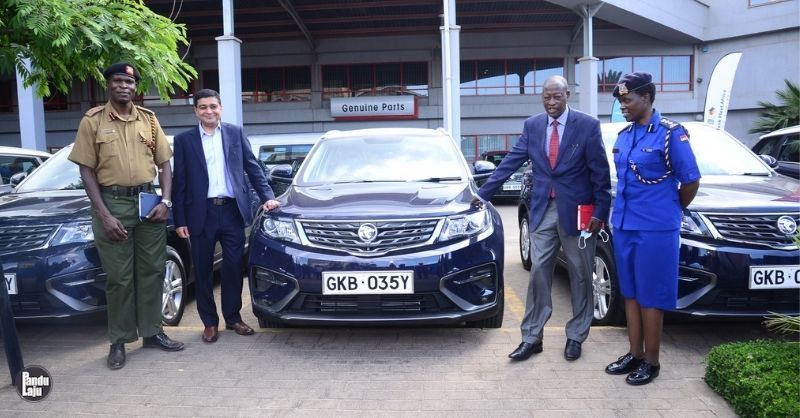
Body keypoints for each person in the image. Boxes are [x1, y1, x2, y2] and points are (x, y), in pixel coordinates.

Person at [474, 75, 611, 361]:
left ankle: (576, 335)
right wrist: (483, 194)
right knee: (538, 272)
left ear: (567, 95)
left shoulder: (587, 125)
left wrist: (600, 212)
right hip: (542, 209)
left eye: (557, 96)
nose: (551, 102)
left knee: (580, 273)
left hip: (577, 213)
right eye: (546, 97)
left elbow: (600, 173)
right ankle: (532, 337)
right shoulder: (533, 125)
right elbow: (511, 161)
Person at [69, 63, 184, 370]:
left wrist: (166, 201)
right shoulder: (93, 121)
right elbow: (86, 170)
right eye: (118, 81)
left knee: (152, 271)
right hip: (112, 203)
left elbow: (165, 164)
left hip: (148, 203)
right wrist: (104, 215)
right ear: (108, 85)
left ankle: (152, 332)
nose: (124, 86)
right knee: (119, 278)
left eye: (129, 82)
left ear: (135, 87)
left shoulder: (149, 119)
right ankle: (119, 340)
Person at [604, 72, 700, 385]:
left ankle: (652, 361)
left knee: (652, 294)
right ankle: (634, 353)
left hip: (656, 228)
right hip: (624, 224)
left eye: (628, 100)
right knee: (630, 292)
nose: (623, 106)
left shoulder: (671, 134)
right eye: (620, 101)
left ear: (646, 98)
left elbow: (690, 180)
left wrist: (670, 210)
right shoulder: (624, 135)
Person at [172, 89, 280, 343]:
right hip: (201, 213)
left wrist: (267, 196)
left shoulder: (235, 133)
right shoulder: (184, 140)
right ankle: (209, 323)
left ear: (220, 108)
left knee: (232, 267)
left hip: (232, 211)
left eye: (213, 106)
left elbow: (252, 166)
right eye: (203, 107)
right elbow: (180, 182)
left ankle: (233, 318)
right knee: (203, 271)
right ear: (196, 111)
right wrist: (180, 220)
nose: (208, 111)